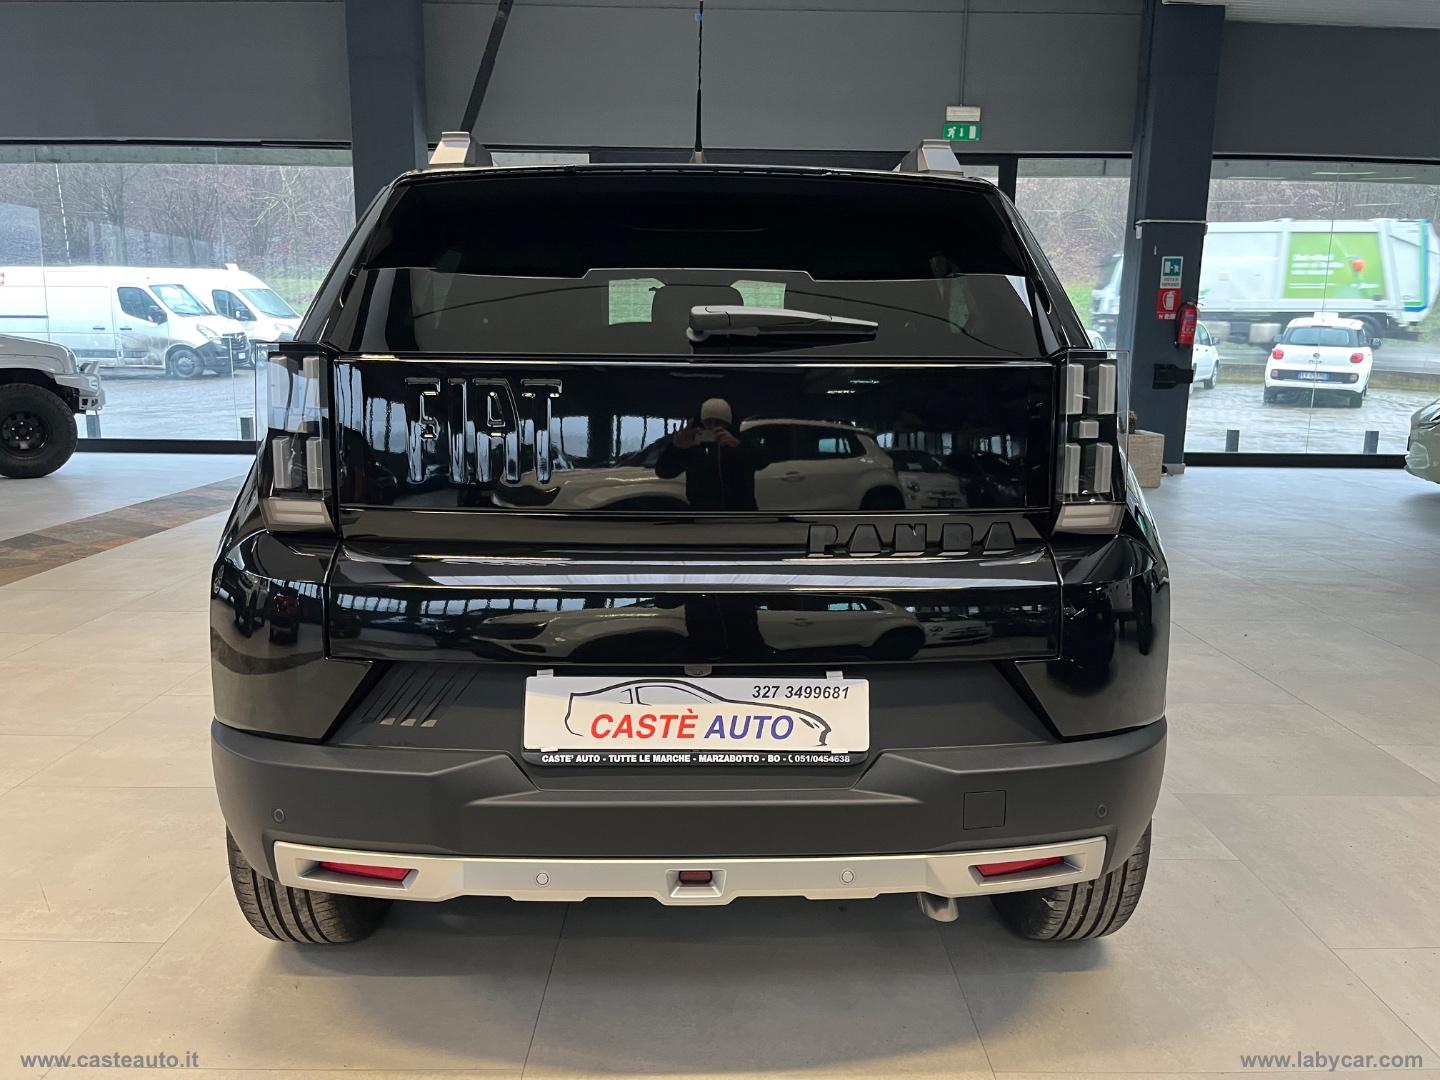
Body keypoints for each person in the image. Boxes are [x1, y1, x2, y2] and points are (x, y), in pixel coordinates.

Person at [655, 397, 769, 511]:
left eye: (719, 422)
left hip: (740, 512)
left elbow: (762, 461)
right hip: (704, 513)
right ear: (702, 422)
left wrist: (737, 446)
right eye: (708, 421)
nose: (713, 426)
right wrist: (676, 447)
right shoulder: (692, 445)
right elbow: (664, 472)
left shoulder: (740, 440)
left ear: (728, 423)